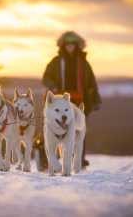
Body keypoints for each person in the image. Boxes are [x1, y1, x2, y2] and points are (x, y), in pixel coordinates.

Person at [42, 31, 101, 168]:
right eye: (67, 44)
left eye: (72, 44)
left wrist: (95, 100)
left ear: (77, 45)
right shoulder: (56, 62)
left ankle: (79, 160)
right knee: (54, 129)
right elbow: (46, 78)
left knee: (79, 130)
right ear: (63, 45)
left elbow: (91, 83)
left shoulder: (84, 63)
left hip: (80, 101)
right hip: (59, 101)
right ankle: (53, 160)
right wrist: (53, 86)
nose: (70, 47)